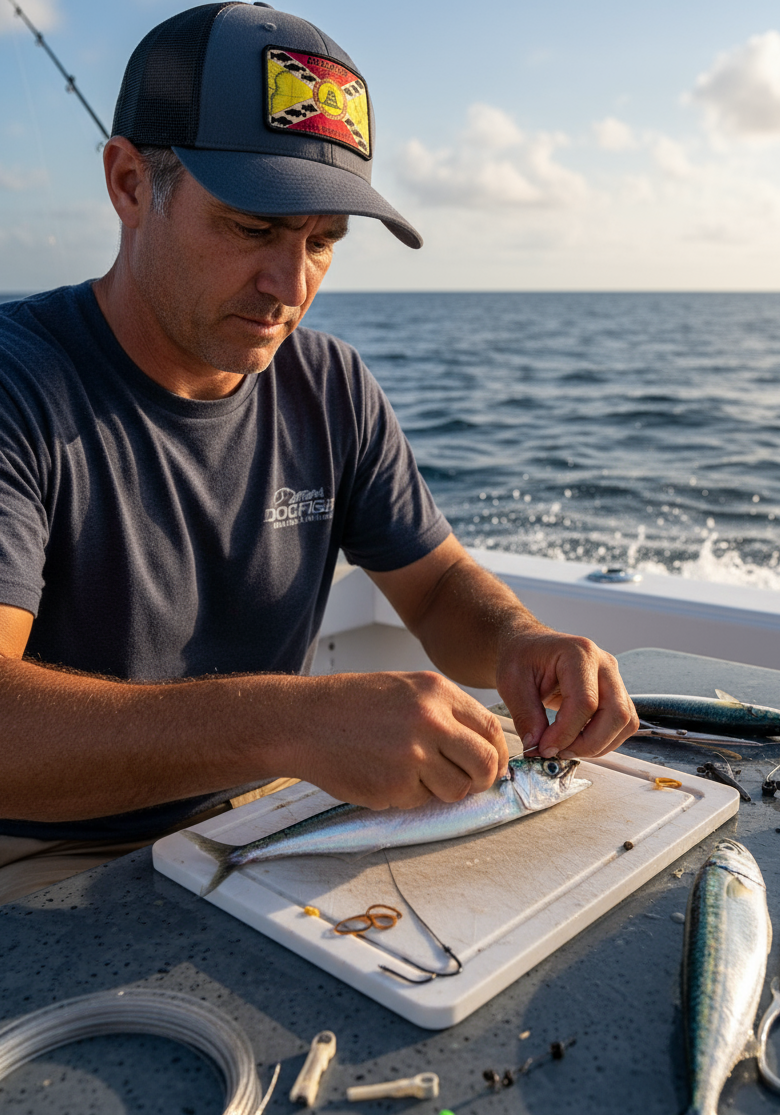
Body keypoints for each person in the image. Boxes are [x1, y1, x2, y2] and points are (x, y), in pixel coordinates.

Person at [0, 2, 638, 904]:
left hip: (270, 817)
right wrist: (289, 721)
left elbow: (440, 585)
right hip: (43, 857)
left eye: (324, 241)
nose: (290, 285)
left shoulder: (330, 384)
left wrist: (518, 640)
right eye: (253, 227)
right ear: (131, 182)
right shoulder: (16, 385)